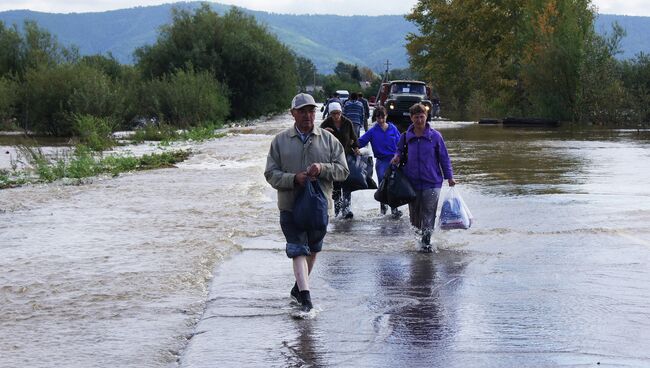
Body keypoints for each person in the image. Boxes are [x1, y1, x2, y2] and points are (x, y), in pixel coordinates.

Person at [265, 93, 349, 312]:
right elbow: (270, 174)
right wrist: (293, 178)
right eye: (302, 111)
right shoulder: (280, 141)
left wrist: (322, 169)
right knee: (297, 249)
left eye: (311, 110)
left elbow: (343, 171)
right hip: (290, 206)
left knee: (312, 249)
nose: (307, 115)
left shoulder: (329, 140)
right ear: (293, 114)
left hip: (320, 207)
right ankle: (306, 297)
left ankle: (298, 288)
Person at [390, 103, 456, 252]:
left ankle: (426, 243)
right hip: (411, 182)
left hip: (432, 182)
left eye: (422, 117)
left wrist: (449, 177)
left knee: (428, 212)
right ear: (411, 118)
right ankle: (419, 239)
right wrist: (396, 157)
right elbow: (399, 151)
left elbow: (444, 158)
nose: (419, 120)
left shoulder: (435, 136)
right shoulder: (406, 137)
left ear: (426, 117)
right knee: (414, 216)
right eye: (416, 117)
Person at [358, 105, 402, 218]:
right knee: (383, 186)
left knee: (393, 185)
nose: (381, 120)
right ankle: (383, 211)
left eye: (383, 117)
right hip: (381, 162)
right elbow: (360, 142)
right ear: (375, 118)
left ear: (386, 116)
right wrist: (351, 146)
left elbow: (401, 144)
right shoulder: (372, 131)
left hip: (394, 161)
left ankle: (394, 210)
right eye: (378, 118)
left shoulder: (393, 128)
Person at [320, 102, 360, 219]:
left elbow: (354, 137)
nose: (336, 116)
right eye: (333, 114)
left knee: (347, 182)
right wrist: (324, 132)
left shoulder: (347, 123)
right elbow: (316, 137)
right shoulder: (326, 123)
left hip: (346, 156)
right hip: (332, 157)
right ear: (330, 114)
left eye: (337, 113)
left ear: (341, 112)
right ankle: (337, 211)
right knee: (336, 184)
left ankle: (346, 209)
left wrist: (356, 148)